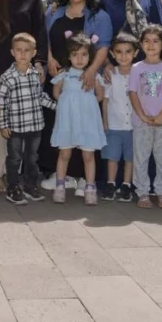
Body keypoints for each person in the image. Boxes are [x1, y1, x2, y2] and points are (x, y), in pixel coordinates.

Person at [0, 33, 56, 205]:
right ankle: (13, 187)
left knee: (32, 157)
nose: (23, 54)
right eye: (19, 50)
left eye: (27, 50)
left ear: (34, 53)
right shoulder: (7, 77)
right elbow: (2, 103)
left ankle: (30, 185)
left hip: (35, 125)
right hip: (15, 126)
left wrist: (57, 107)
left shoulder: (35, 75)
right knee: (14, 158)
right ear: (12, 52)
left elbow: (40, 97)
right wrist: (3, 124)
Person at [50, 33, 106, 205]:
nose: (79, 58)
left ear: (90, 56)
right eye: (75, 54)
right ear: (69, 56)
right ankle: (60, 186)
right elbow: (56, 93)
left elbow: (100, 95)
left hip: (87, 120)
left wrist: (86, 103)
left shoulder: (93, 76)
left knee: (88, 155)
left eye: (84, 54)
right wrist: (69, 103)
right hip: (68, 120)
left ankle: (90, 187)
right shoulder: (64, 75)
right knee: (64, 153)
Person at [128, 25, 162, 209]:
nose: (151, 45)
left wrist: (161, 115)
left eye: (156, 41)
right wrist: (142, 115)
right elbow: (133, 93)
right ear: (141, 44)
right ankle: (142, 192)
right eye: (147, 41)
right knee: (141, 157)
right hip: (141, 122)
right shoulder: (136, 68)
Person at [101, 33, 138, 202]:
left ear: (135, 53)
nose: (124, 56)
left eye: (128, 52)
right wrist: (105, 122)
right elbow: (106, 100)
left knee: (130, 157)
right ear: (112, 54)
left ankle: (126, 185)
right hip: (114, 125)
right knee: (112, 157)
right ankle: (110, 183)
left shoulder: (139, 73)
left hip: (134, 125)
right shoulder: (110, 74)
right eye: (119, 52)